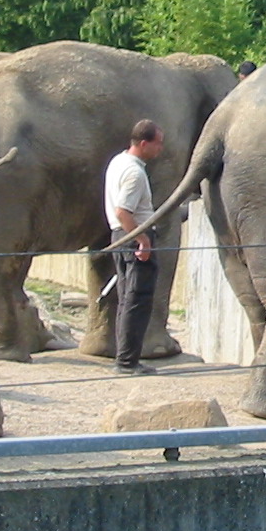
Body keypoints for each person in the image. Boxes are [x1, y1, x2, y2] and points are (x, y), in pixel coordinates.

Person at [103, 118, 165, 375]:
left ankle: (125, 357)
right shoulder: (134, 172)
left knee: (126, 298)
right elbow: (123, 211)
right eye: (157, 143)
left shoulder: (118, 162)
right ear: (143, 143)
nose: (160, 148)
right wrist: (142, 240)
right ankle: (127, 362)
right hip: (132, 237)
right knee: (136, 300)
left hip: (119, 236)